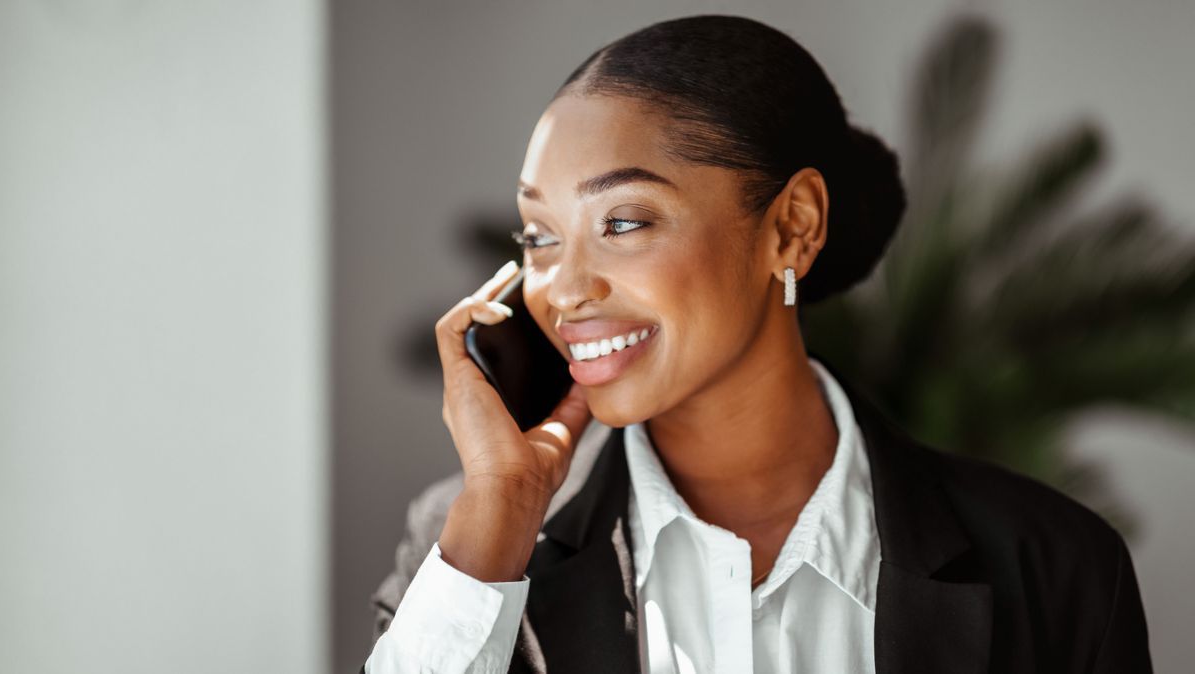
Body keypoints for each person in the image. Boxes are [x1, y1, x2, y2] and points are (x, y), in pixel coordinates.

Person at [362, 14, 1152, 674]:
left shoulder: (1055, 568)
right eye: (539, 234)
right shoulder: (465, 546)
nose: (562, 289)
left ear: (791, 227)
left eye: (623, 223)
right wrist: (492, 536)